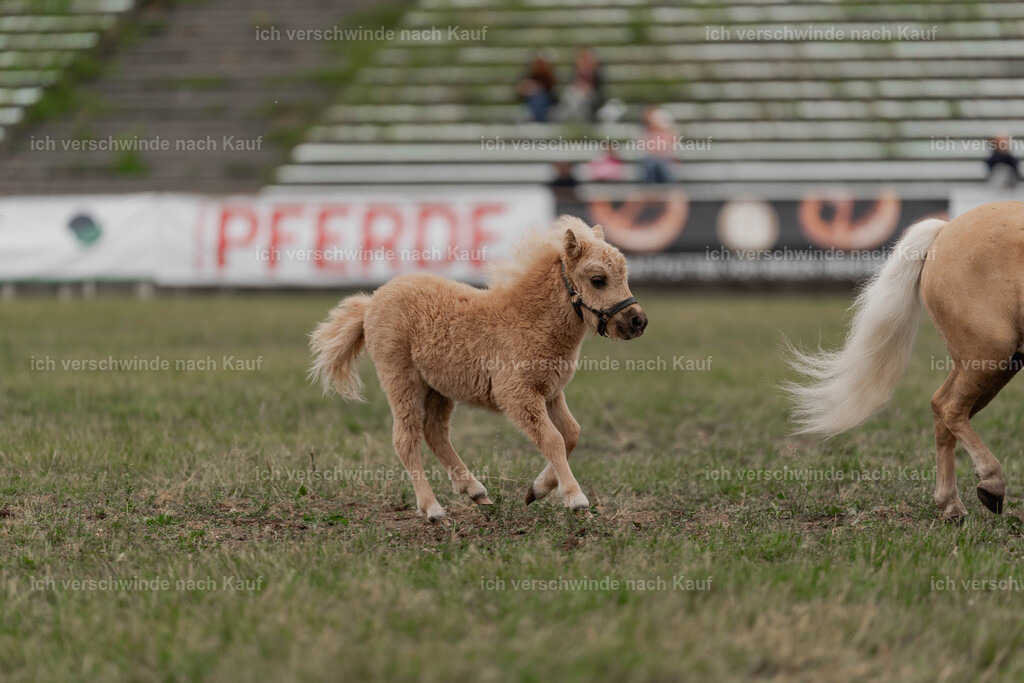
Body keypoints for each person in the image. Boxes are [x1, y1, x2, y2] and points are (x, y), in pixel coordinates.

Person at [557, 47, 604, 122]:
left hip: (590, 108)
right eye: (582, 60)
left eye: (587, 60)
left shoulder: (598, 77)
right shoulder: (573, 76)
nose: (585, 63)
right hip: (573, 107)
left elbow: (600, 99)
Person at [638, 106, 676, 184]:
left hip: (664, 159)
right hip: (652, 160)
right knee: (650, 163)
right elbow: (643, 146)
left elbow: (671, 145)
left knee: (661, 165)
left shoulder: (666, 132)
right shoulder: (647, 132)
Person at [518, 51, 557, 123]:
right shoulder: (527, 76)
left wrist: (539, 88)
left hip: (547, 104)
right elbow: (519, 91)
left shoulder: (549, 77)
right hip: (530, 103)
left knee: (540, 98)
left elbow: (554, 94)